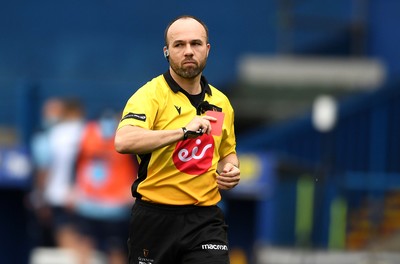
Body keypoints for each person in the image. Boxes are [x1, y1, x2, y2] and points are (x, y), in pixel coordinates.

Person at [114, 15, 240, 264]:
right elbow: (123, 141)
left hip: (205, 219)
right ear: (166, 52)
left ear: (207, 49)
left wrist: (230, 168)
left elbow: (226, 151)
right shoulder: (150, 95)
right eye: (179, 45)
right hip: (155, 217)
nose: (188, 51)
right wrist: (182, 132)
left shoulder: (221, 102)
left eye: (195, 44)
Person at [73, 109, 138, 264]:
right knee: (85, 244)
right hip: (89, 203)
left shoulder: (129, 138)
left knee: (115, 249)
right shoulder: (86, 135)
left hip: (116, 207)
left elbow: (141, 168)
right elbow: (77, 163)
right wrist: (75, 188)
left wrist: (132, 191)